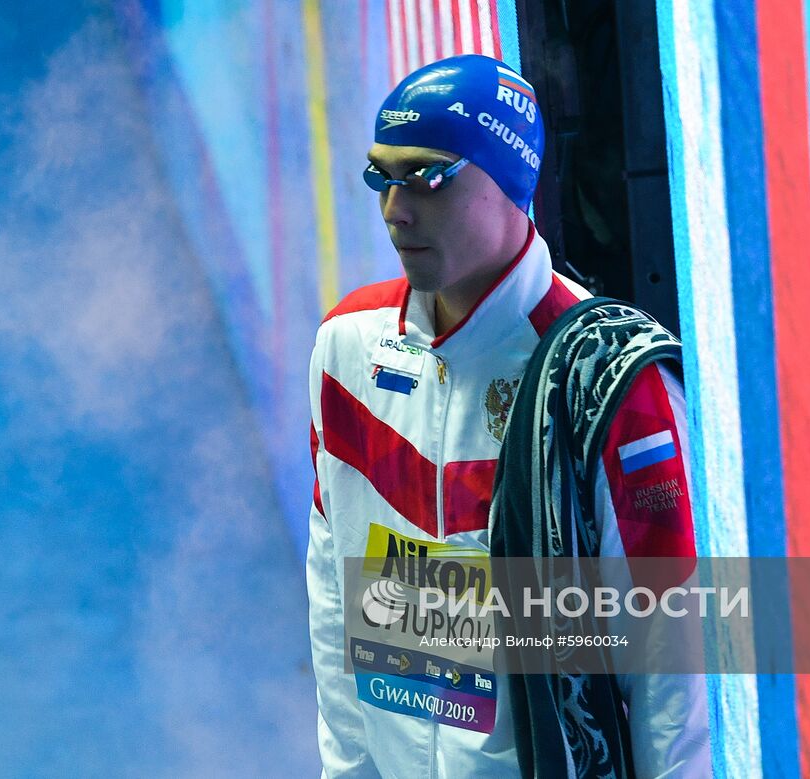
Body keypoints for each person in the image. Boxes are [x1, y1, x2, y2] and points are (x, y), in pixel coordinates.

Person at [305, 54, 710, 777]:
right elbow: (335, 587)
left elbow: (670, 661)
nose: (396, 210)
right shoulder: (348, 347)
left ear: (510, 181)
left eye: (428, 177)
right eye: (382, 178)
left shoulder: (608, 382)